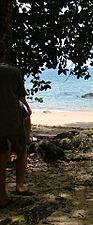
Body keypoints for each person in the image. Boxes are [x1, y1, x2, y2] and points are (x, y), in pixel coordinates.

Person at [0, 40, 33, 208]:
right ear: (3, 53)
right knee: (22, 150)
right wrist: (28, 111)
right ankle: (19, 185)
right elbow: (21, 96)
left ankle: (2, 195)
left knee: (0, 156)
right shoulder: (12, 71)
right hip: (12, 118)